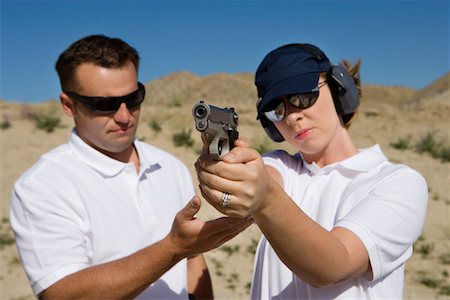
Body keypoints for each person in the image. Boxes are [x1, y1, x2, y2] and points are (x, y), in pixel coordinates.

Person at [10, 34, 252, 299]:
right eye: (104, 105)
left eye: (134, 97)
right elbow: (64, 294)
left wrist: (185, 250)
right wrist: (173, 247)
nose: (124, 116)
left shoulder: (169, 166)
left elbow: (193, 263)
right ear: (69, 105)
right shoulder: (42, 186)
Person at [195, 43, 428, 299]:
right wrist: (227, 172)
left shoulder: (397, 182)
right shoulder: (281, 166)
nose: (292, 116)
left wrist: (264, 197)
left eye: (302, 97)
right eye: (277, 110)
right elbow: (258, 179)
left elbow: (333, 265)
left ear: (340, 90)